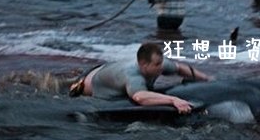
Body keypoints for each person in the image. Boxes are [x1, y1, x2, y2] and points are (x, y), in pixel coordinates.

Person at [68, 42, 211, 114]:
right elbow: (140, 97)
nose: (161, 67)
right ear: (143, 64)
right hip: (88, 84)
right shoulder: (133, 74)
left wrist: (206, 78)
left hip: (108, 70)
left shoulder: (159, 63)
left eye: (161, 63)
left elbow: (179, 68)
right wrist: (173, 100)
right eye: (157, 65)